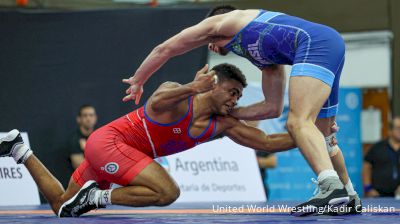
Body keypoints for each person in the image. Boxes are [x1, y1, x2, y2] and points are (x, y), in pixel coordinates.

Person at [122, 5, 360, 215]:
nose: (210, 47)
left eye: (209, 42)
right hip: (330, 45)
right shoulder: (264, 57)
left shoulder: (221, 22)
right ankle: (349, 195)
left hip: (314, 43)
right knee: (324, 135)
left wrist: (138, 80)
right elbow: (272, 108)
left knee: (298, 122)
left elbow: (166, 49)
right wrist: (233, 113)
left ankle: (330, 186)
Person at [0, 63, 316, 218]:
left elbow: (268, 142)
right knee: (168, 191)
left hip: (120, 158)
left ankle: (18, 149)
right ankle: (96, 198)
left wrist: (309, 133)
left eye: (239, 96)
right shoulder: (180, 95)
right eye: (232, 92)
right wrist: (193, 88)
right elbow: (156, 102)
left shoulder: (224, 125)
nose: (235, 100)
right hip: (107, 143)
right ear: (213, 84)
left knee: (62, 208)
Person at [363, 116, 400, 198]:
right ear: (390, 130)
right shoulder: (377, 147)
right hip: (378, 195)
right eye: (398, 128)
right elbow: (366, 167)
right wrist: (368, 189)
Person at [68, 105, 97, 170]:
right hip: (82, 179)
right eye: (85, 115)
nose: (88, 118)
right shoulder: (74, 140)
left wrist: (87, 149)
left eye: (91, 115)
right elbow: (80, 168)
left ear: (95, 118)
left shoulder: (99, 137)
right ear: (79, 119)